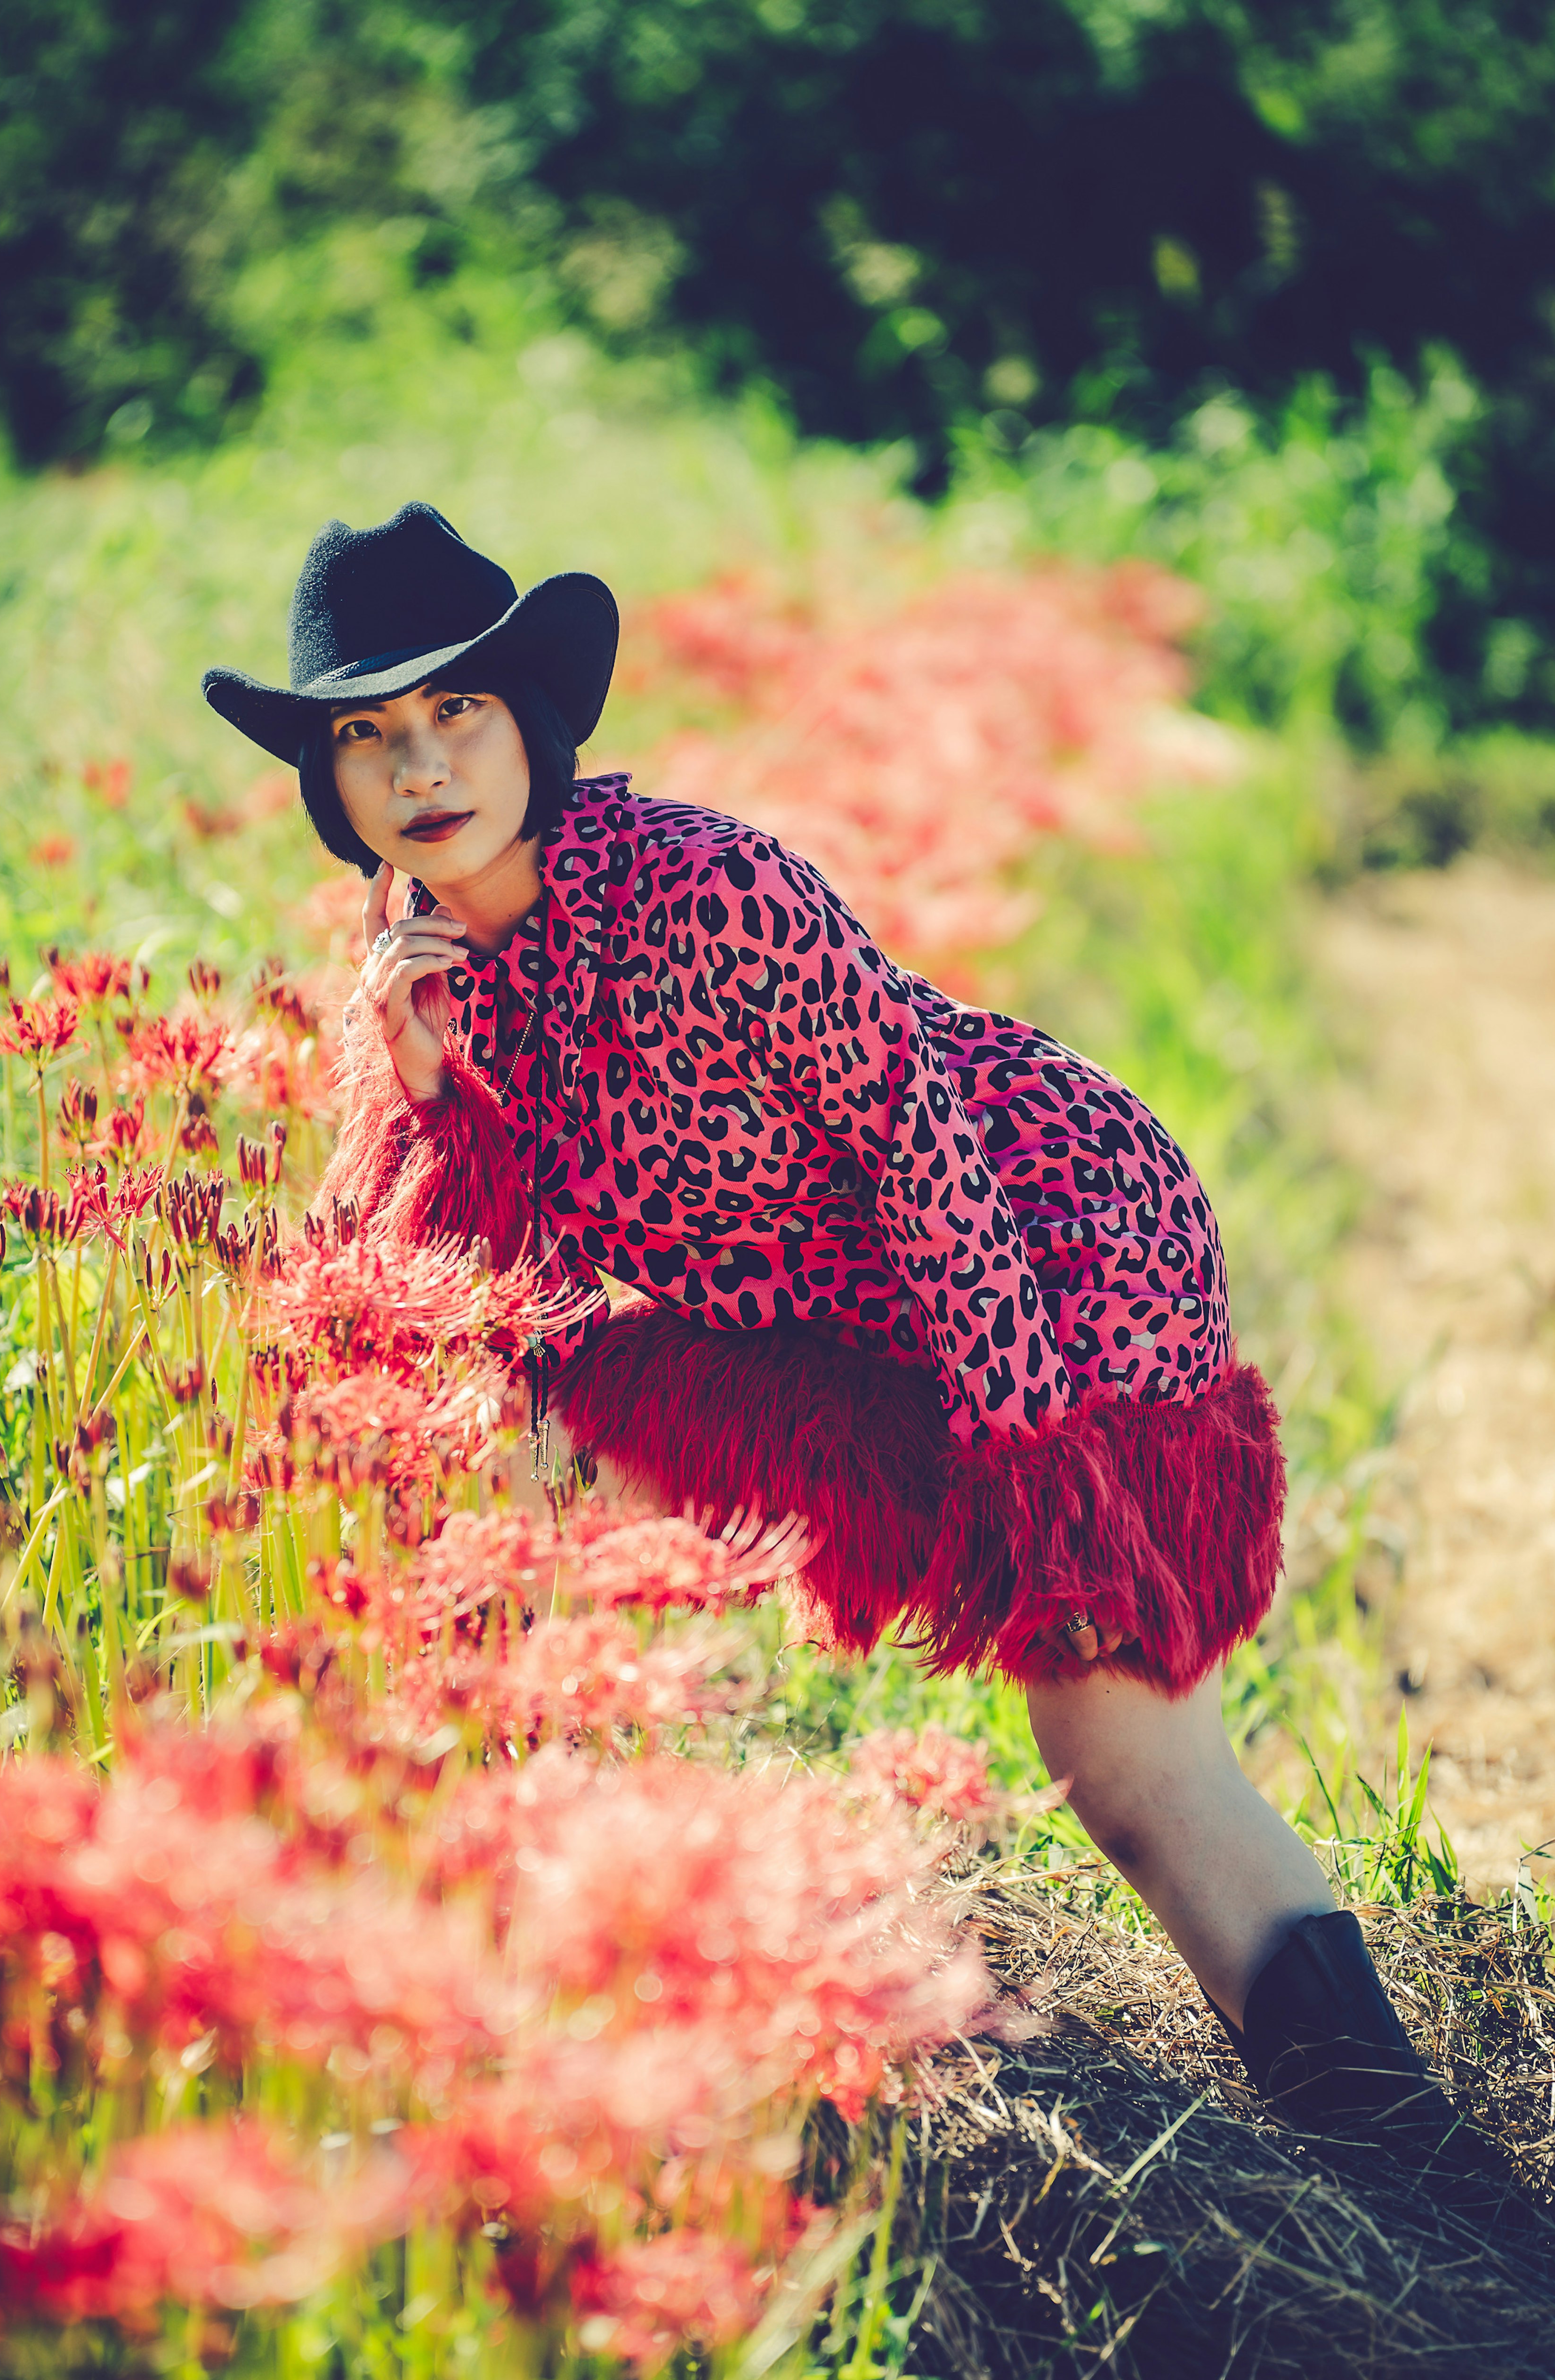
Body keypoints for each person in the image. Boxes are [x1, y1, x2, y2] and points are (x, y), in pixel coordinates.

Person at [203, 502, 1484, 2174]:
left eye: (460, 712)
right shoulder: (414, 963)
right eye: (370, 734)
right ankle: (589, 1967)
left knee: (1122, 1752)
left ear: (532, 721)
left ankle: (1423, 2186)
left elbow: (919, 1129)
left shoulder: (699, 885)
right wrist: (430, 1079)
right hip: (824, 1319)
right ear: (331, 779)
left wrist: (1041, 1462)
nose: (423, 765)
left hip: (1051, 1256)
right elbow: (478, 1304)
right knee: (535, 1464)